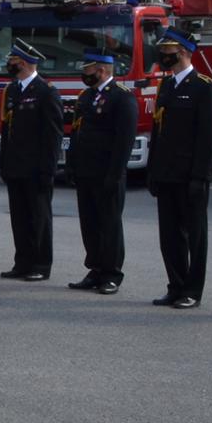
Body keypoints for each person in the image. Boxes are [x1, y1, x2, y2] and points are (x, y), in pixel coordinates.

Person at [145, 28, 212, 310]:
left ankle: (192, 290)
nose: (164, 55)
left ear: (185, 52)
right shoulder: (166, 86)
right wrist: (153, 171)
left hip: (190, 174)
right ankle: (175, 285)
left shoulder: (203, 87)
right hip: (166, 173)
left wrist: (200, 176)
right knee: (170, 235)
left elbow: (208, 138)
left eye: (169, 51)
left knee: (195, 235)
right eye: (163, 51)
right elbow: (158, 131)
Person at [66, 49, 137, 294]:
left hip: (107, 172)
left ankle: (112, 273)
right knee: (90, 223)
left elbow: (123, 141)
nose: (84, 74)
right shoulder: (86, 97)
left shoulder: (121, 97)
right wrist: (72, 163)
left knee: (109, 224)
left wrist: (115, 174)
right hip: (86, 170)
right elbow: (77, 132)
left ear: (103, 70)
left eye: (88, 70)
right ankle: (95, 268)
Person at [0, 38, 64, 282]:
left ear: (24, 63)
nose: (10, 65)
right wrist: (4, 162)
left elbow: (52, 135)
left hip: (36, 168)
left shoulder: (46, 92)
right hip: (16, 166)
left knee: (39, 219)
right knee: (20, 218)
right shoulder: (13, 90)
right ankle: (22, 262)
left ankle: (40, 264)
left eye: (13, 61)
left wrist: (48, 169)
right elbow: (7, 130)